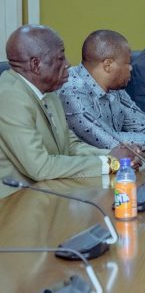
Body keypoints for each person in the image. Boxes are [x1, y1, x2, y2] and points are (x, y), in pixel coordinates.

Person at [0, 25, 137, 199]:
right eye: (60, 58)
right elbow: (41, 167)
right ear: (36, 65)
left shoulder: (48, 91)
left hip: (51, 192)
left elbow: (69, 145)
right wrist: (108, 163)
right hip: (15, 203)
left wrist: (117, 156)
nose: (68, 64)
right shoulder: (10, 97)